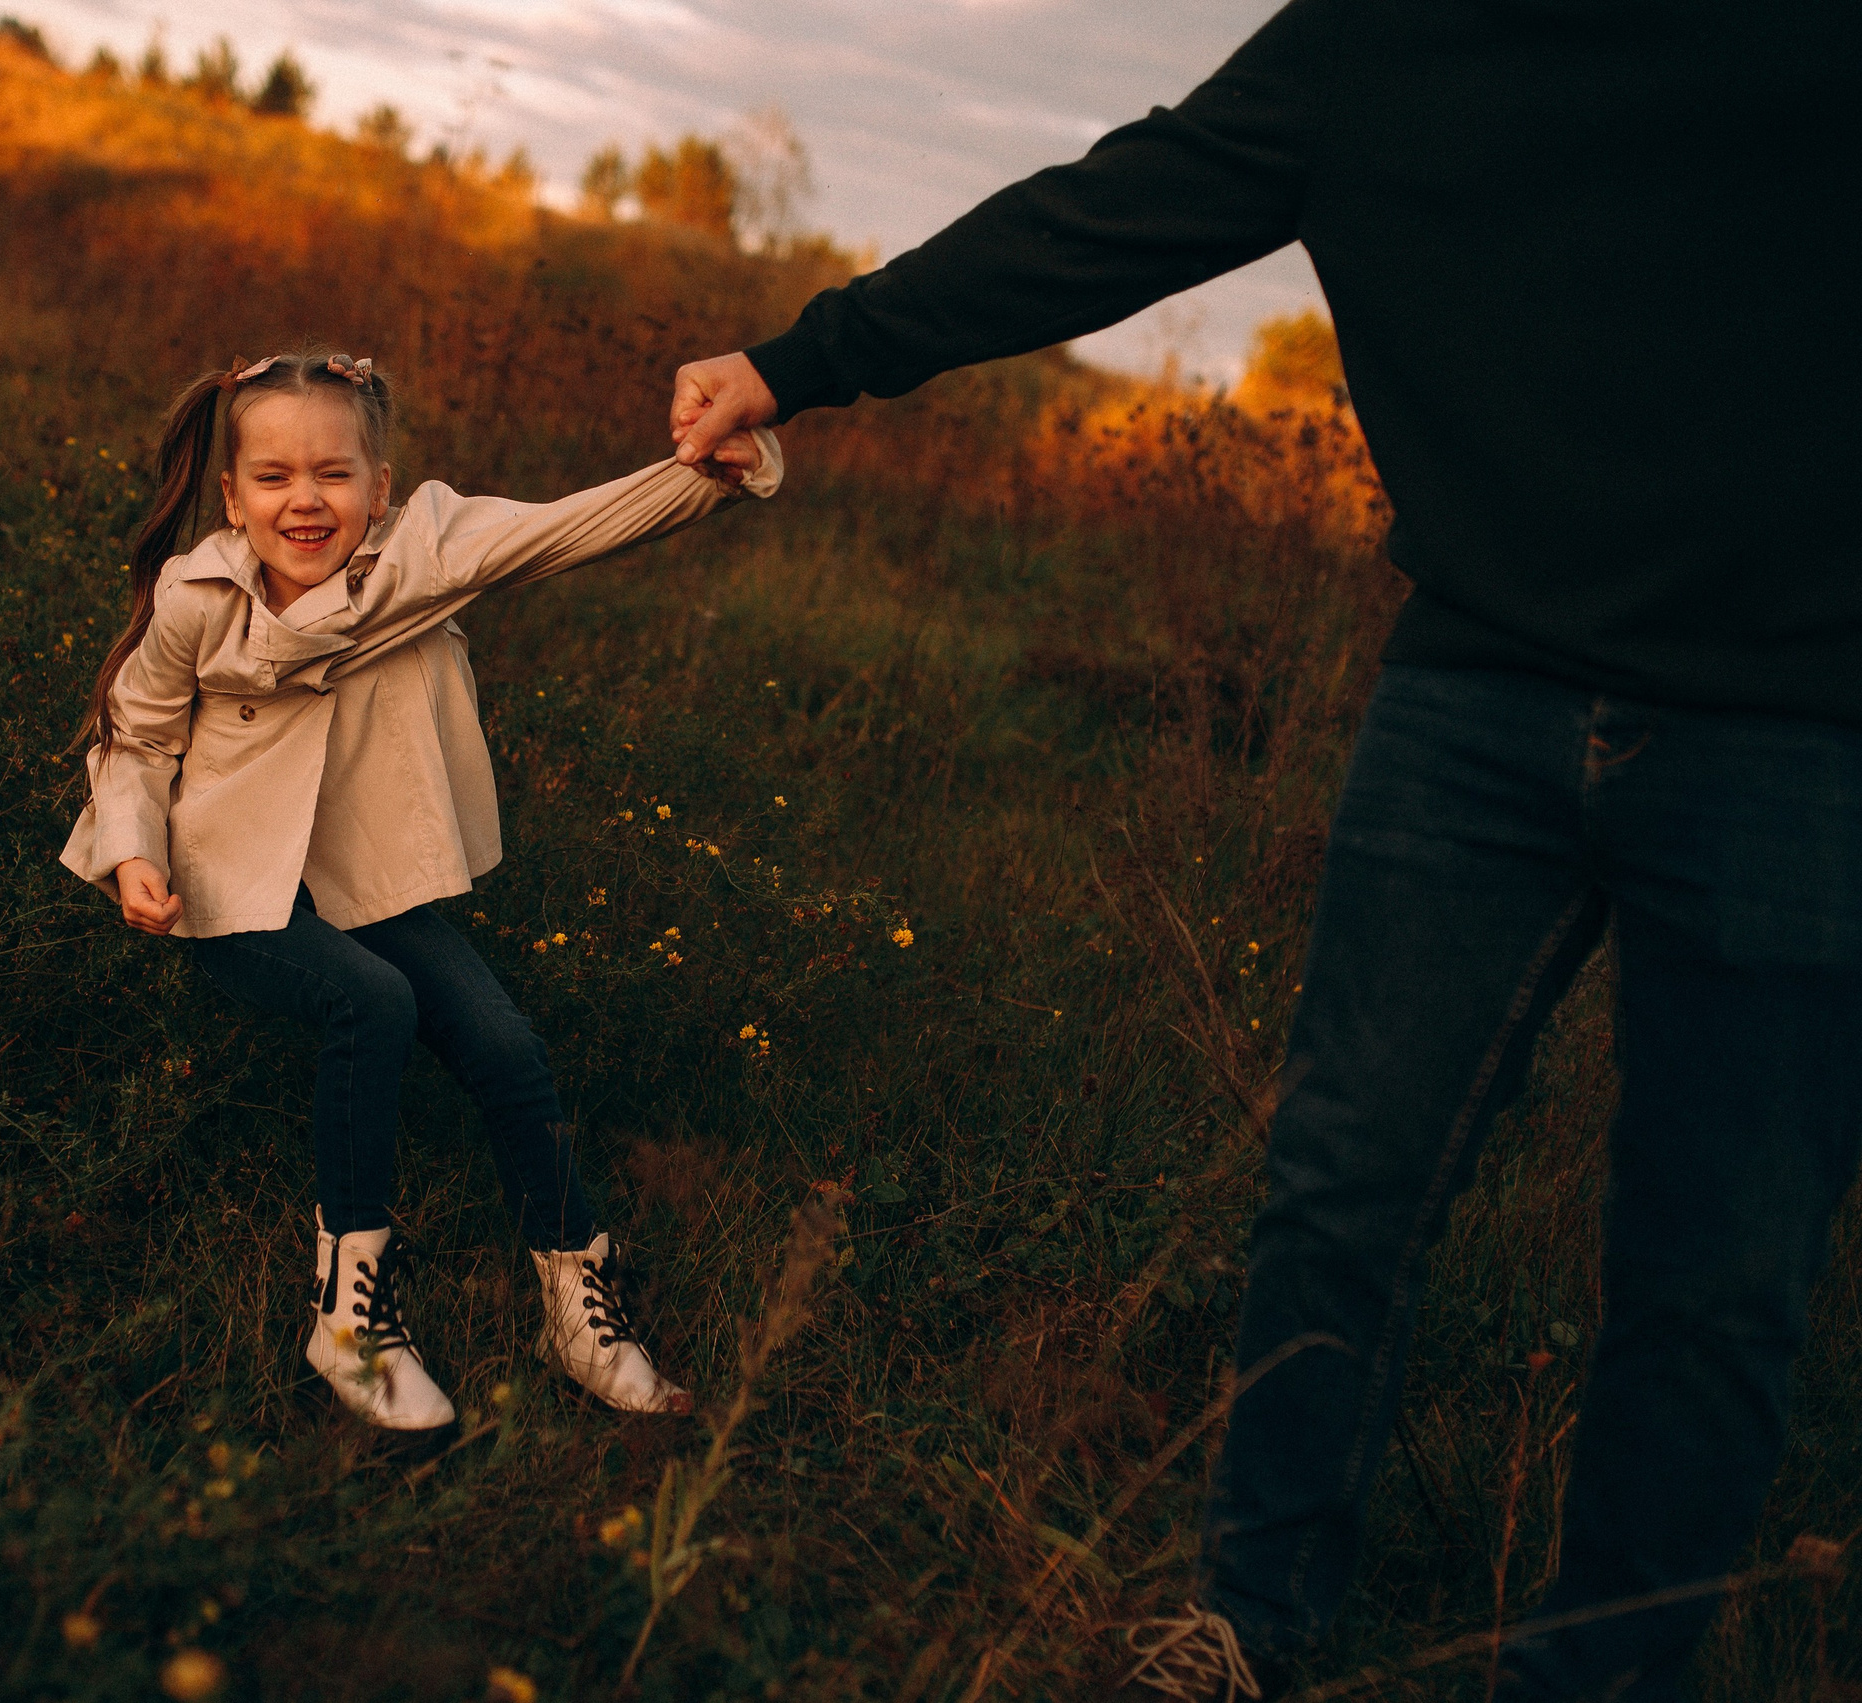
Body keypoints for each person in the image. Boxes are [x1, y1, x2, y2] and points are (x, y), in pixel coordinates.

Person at [670, 2, 1858, 1698]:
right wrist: (807, 355)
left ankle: (1603, 1675)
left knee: (1719, 1273)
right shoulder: (1384, 41)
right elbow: (1107, 214)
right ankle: (1251, 1615)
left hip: (1805, 735)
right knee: (1344, 1188)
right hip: (1480, 690)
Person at [63, 348, 780, 1434]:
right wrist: (132, 851)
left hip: (357, 870)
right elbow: (137, 730)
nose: (305, 500)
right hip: (228, 877)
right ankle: (349, 1324)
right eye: (272, 477)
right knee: (372, 1001)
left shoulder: (423, 555)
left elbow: (572, 524)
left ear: (382, 487)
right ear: (231, 495)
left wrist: (708, 473)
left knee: (503, 1042)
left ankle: (575, 1312)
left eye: (335, 474)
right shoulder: (197, 598)